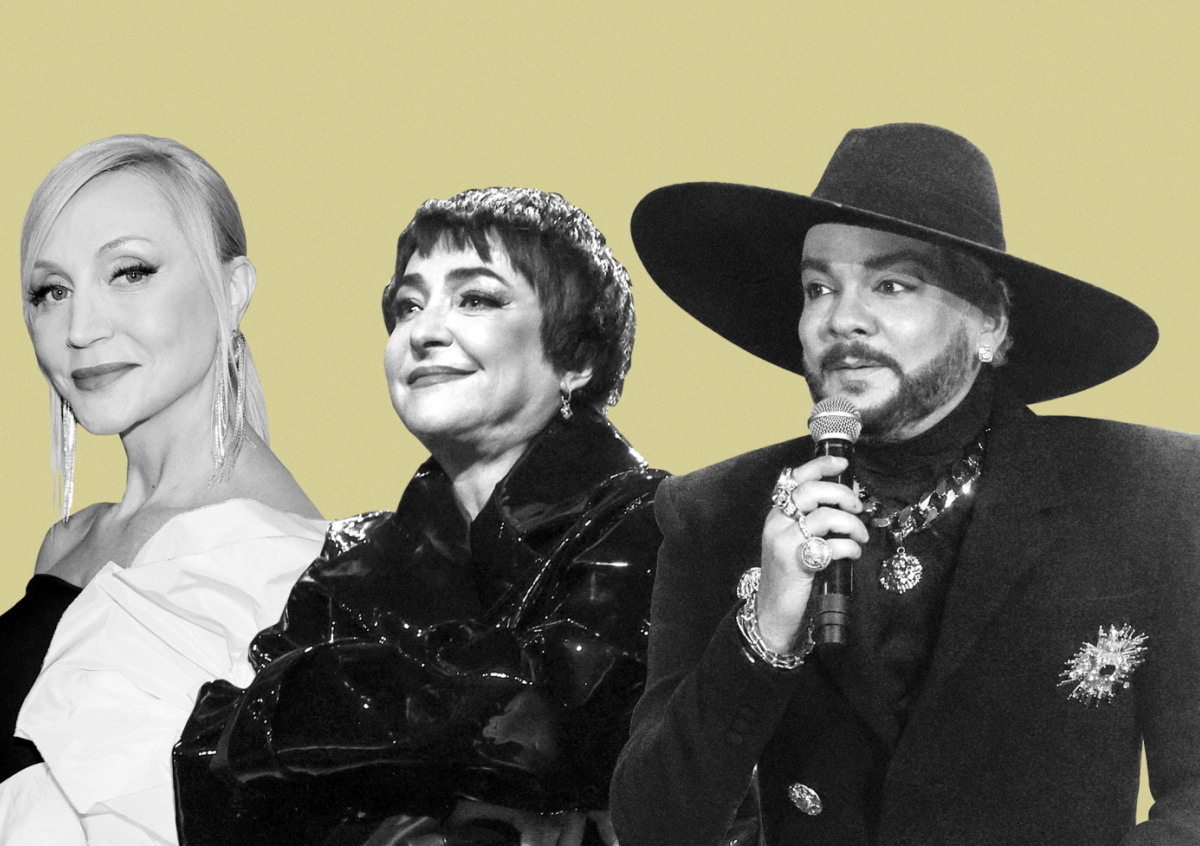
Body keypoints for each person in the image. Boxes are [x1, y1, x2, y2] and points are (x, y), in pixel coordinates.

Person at [609, 123, 1200, 845]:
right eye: (819, 288)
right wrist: (763, 629)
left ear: (992, 322)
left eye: (892, 285)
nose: (843, 320)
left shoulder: (1149, 495)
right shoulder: (714, 513)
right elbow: (653, 827)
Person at [173, 187, 667, 846]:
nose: (424, 331)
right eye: (409, 305)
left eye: (476, 299)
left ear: (577, 357)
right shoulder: (353, 559)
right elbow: (213, 765)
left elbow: (554, 726)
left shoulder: (656, 520)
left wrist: (318, 695)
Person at [0, 135, 326, 844]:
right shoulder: (70, 541)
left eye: (129, 273)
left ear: (233, 290)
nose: (80, 329)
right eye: (52, 291)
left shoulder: (286, 571)